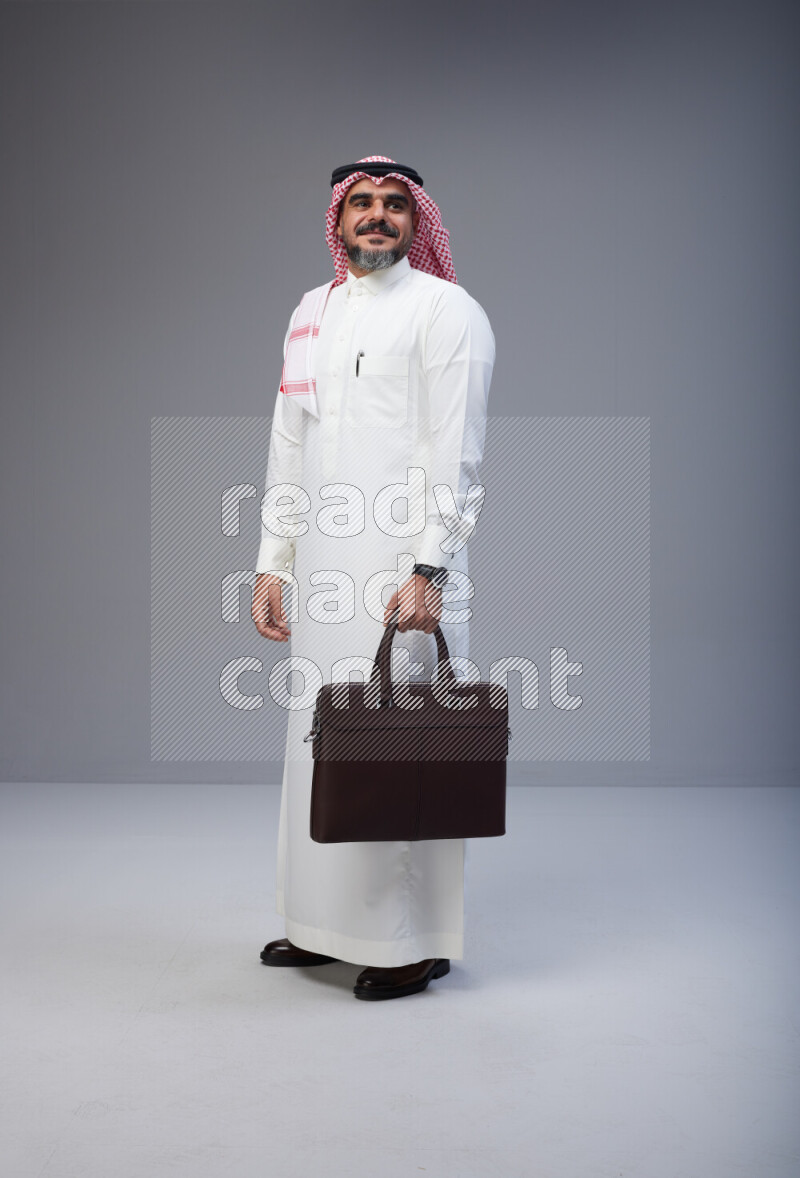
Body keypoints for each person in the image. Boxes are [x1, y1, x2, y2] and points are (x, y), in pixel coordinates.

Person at [251, 155, 495, 1000]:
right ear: (339, 217)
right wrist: (272, 562)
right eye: (363, 204)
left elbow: (458, 453)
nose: (379, 217)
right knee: (322, 740)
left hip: (405, 566)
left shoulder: (445, 309)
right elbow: (290, 442)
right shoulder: (310, 312)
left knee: (403, 743)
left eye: (395, 204)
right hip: (323, 566)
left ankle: (408, 943)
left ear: (416, 219)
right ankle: (322, 926)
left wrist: (430, 568)